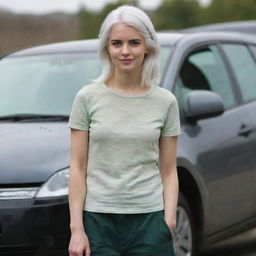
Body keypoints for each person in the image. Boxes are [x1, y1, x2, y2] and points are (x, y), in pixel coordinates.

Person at [67, 5, 181, 256]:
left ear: (148, 46)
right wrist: (77, 229)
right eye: (117, 43)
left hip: (150, 221)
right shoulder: (87, 98)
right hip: (98, 221)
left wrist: (168, 219)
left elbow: (169, 169)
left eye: (134, 43)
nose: (125, 51)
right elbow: (77, 167)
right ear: (106, 48)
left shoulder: (166, 101)